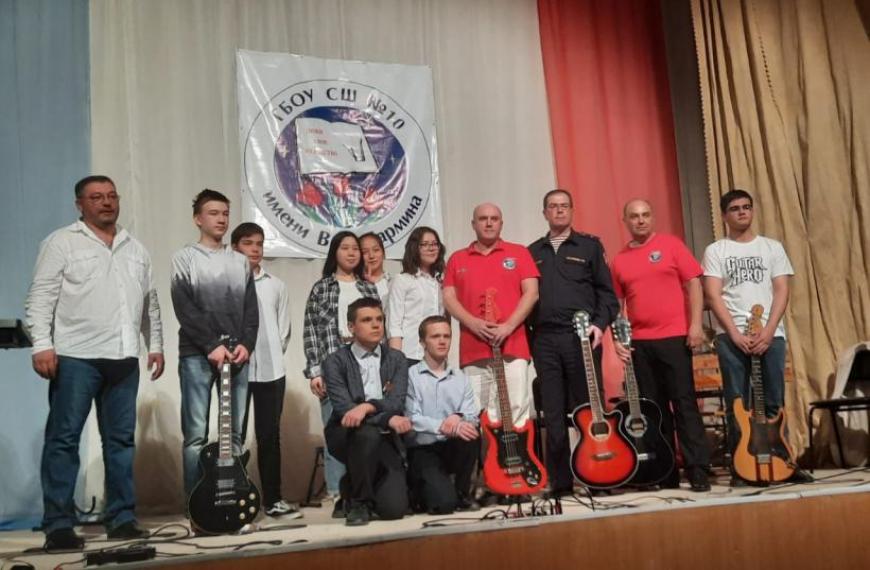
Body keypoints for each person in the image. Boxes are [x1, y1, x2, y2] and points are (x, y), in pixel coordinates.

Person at [26, 175, 164, 550]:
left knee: (120, 442)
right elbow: (40, 296)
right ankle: (58, 524)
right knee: (64, 439)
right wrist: (42, 345)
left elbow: (149, 302)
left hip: (123, 357)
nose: (106, 202)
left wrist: (155, 344)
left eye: (111, 196)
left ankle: (121, 519)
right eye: (96, 197)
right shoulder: (61, 242)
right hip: (76, 356)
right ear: (80, 204)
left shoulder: (135, 248)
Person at [701, 189, 804, 484]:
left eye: (746, 207)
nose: (742, 212)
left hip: (771, 335)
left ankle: (783, 463)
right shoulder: (716, 250)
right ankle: (742, 468)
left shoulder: (772, 247)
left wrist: (769, 331)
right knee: (737, 404)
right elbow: (713, 295)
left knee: (774, 403)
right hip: (731, 336)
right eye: (735, 208)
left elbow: (782, 290)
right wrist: (734, 333)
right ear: (725, 215)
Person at [610, 199, 711, 492]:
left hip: (674, 338)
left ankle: (697, 469)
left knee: (684, 404)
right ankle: (666, 472)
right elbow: (617, 305)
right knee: (654, 411)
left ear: (652, 217)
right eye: (634, 216)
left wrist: (695, 325)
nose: (640, 220)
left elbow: (694, 284)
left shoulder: (672, 245)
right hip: (640, 344)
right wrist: (619, 339)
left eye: (645, 214)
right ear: (625, 221)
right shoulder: (619, 260)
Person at [527, 189, 619, 496]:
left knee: (589, 408)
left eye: (564, 206)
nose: (559, 211)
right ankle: (561, 482)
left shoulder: (589, 247)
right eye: (553, 206)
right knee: (553, 412)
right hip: (545, 340)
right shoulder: (532, 252)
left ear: (572, 210)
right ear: (545, 212)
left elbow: (607, 295)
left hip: (582, 338)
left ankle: (597, 474)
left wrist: (599, 325)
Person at [171, 189, 258, 503]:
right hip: (197, 355)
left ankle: (229, 499)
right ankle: (196, 505)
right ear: (198, 219)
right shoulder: (184, 258)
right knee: (196, 434)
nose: (221, 219)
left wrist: (246, 344)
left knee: (233, 434)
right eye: (213, 213)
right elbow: (184, 307)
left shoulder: (240, 261)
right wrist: (211, 344)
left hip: (237, 356)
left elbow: (251, 309)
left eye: (225, 213)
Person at [303, 232, 379, 515]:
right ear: (335, 252)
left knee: (365, 431)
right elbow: (311, 329)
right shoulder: (322, 288)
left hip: (365, 366)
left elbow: (379, 330)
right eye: (345, 248)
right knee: (336, 431)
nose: (351, 253)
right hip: (332, 367)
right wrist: (315, 371)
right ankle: (337, 492)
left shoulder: (368, 288)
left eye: (355, 248)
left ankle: (362, 490)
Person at [443, 203, 539, 427]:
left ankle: (516, 452)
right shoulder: (457, 259)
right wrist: (473, 323)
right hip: (474, 349)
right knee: (477, 413)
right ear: (473, 224)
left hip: (513, 346)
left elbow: (532, 293)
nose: (488, 223)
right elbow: (448, 298)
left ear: (501, 223)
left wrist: (508, 326)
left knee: (516, 411)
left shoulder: (519, 253)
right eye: (483, 218)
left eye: (494, 219)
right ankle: (487, 453)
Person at [231, 223, 301, 519]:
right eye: (248, 243)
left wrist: (270, 354)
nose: (255, 249)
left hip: (271, 371)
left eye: (259, 243)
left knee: (269, 436)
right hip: (237, 370)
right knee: (233, 437)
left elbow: (283, 330)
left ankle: (273, 500)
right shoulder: (227, 283)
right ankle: (234, 500)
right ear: (234, 247)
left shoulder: (276, 285)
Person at [322, 298, 411, 526]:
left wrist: (367, 406)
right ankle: (359, 502)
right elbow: (344, 408)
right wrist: (385, 416)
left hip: (385, 434)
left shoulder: (397, 359)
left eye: (379, 319)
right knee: (367, 435)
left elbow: (397, 402)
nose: (376, 325)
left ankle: (349, 484)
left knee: (394, 510)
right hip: (347, 433)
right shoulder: (335, 361)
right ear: (351, 327)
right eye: (367, 320)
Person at [406, 316, 480, 514]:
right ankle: (421, 491)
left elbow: (472, 415)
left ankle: (463, 492)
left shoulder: (461, 377)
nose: (442, 341)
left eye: (446, 336)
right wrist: (444, 425)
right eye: (435, 336)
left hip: (452, 446)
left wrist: (458, 417)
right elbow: (411, 418)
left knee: (471, 432)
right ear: (423, 342)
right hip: (424, 449)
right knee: (444, 505)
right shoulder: (411, 375)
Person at [387, 226, 446, 366]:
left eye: (434, 244)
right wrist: (396, 361)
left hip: (435, 356)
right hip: (410, 354)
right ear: (414, 248)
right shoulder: (402, 280)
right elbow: (394, 323)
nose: (431, 248)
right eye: (425, 244)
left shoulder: (440, 282)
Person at [360, 232, 391, 304]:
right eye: (365, 252)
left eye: (376, 250)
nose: (371, 256)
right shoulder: (355, 284)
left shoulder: (394, 282)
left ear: (383, 253)